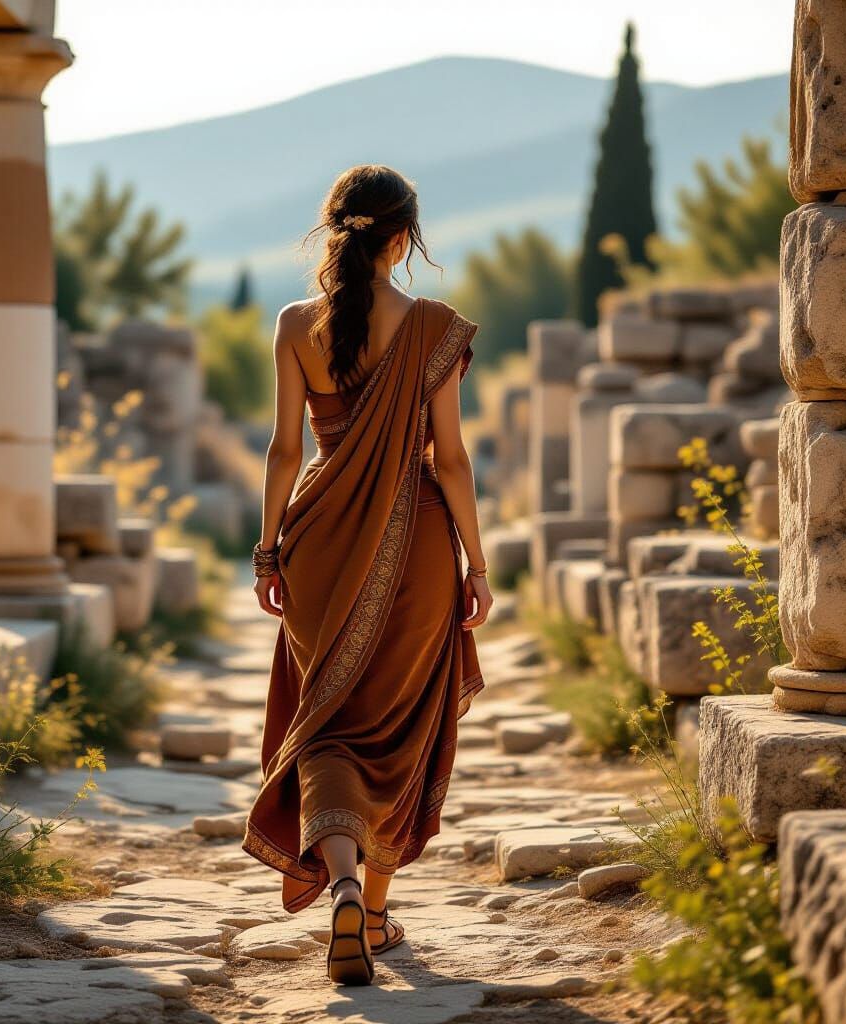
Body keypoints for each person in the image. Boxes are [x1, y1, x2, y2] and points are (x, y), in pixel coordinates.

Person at [243, 165, 492, 986]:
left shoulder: (291, 323)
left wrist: (270, 547)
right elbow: (449, 460)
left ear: (337, 230)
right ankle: (374, 913)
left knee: (328, 724)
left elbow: (286, 451)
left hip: (317, 546)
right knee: (403, 725)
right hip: (416, 545)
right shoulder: (435, 327)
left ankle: (344, 883)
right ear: (403, 239)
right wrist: (478, 565)